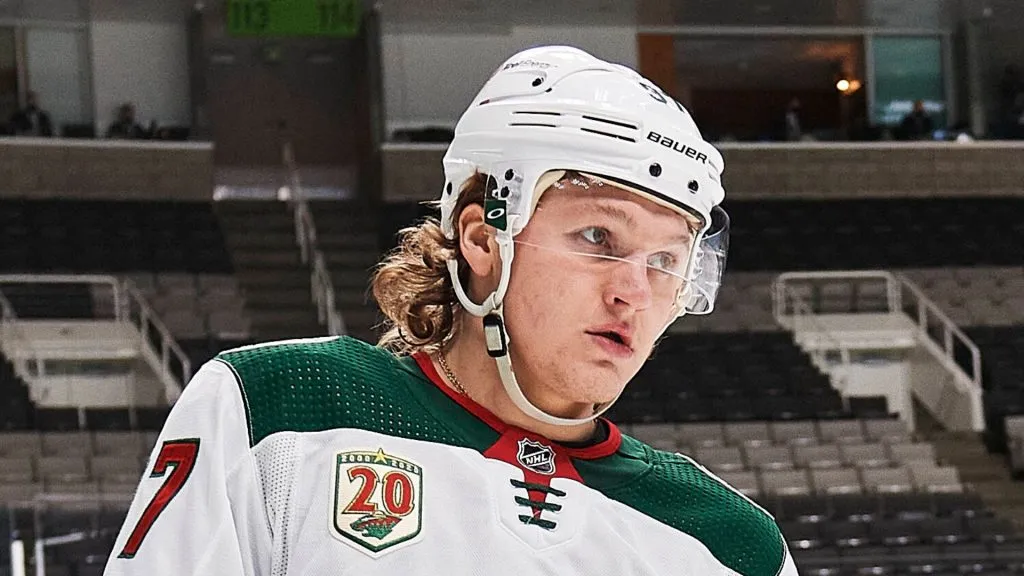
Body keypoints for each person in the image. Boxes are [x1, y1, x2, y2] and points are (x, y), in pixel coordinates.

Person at [104, 45, 797, 576]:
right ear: (482, 237)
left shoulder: (731, 542)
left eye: (666, 260)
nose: (633, 293)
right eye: (597, 238)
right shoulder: (278, 408)